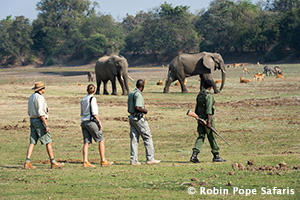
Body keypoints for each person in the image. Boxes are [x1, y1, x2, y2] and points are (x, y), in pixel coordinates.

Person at [25, 81, 65, 169]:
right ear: (41, 89)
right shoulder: (40, 98)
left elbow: (29, 111)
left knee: (32, 141)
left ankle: (27, 161)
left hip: (32, 120)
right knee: (48, 141)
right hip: (39, 121)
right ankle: (53, 161)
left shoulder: (31, 97)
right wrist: (46, 124)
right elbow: (40, 112)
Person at [190, 80, 226, 163]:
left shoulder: (199, 95)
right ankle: (216, 155)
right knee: (212, 136)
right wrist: (209, 121)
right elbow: (209, 109)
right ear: (210, 87)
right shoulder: (209, 96)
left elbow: (196, 109)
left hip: (200, 118)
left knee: (201, 136)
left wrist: (198, 118)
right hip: (207, 118)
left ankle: (194, 155)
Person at [127, 79, 160, 165]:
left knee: (134, 139)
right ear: (142, 87)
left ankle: (133, 160)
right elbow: (138, 107)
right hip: (138, 118)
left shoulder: (131, 93)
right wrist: (144, 110)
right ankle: (150, 158)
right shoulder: (138, 95)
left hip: (131, 117)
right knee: (147, 136)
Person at [80, 84, 114, 167]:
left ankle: (85, 161)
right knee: (101, 139)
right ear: (94, 91)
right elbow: (95, 113)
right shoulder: (92, 99)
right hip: (91, 121)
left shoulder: (83, 99)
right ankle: (103, 160)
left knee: (86, 142)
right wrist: (99, 122)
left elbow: (81, 112)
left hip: (83, 122)